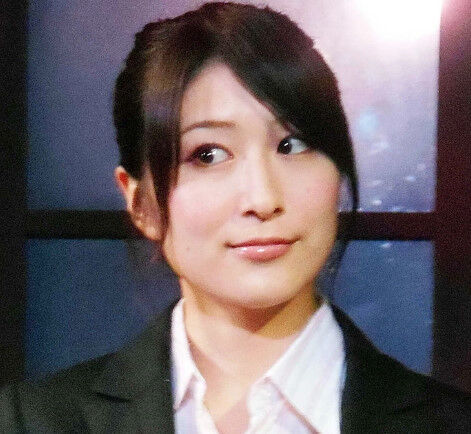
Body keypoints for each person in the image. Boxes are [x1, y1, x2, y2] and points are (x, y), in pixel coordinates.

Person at [1, 2, 470, 433]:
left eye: (293, 145)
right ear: (142, 204)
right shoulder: (31, 422)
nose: (263, 199)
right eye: (208, 154)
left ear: (340, 175)